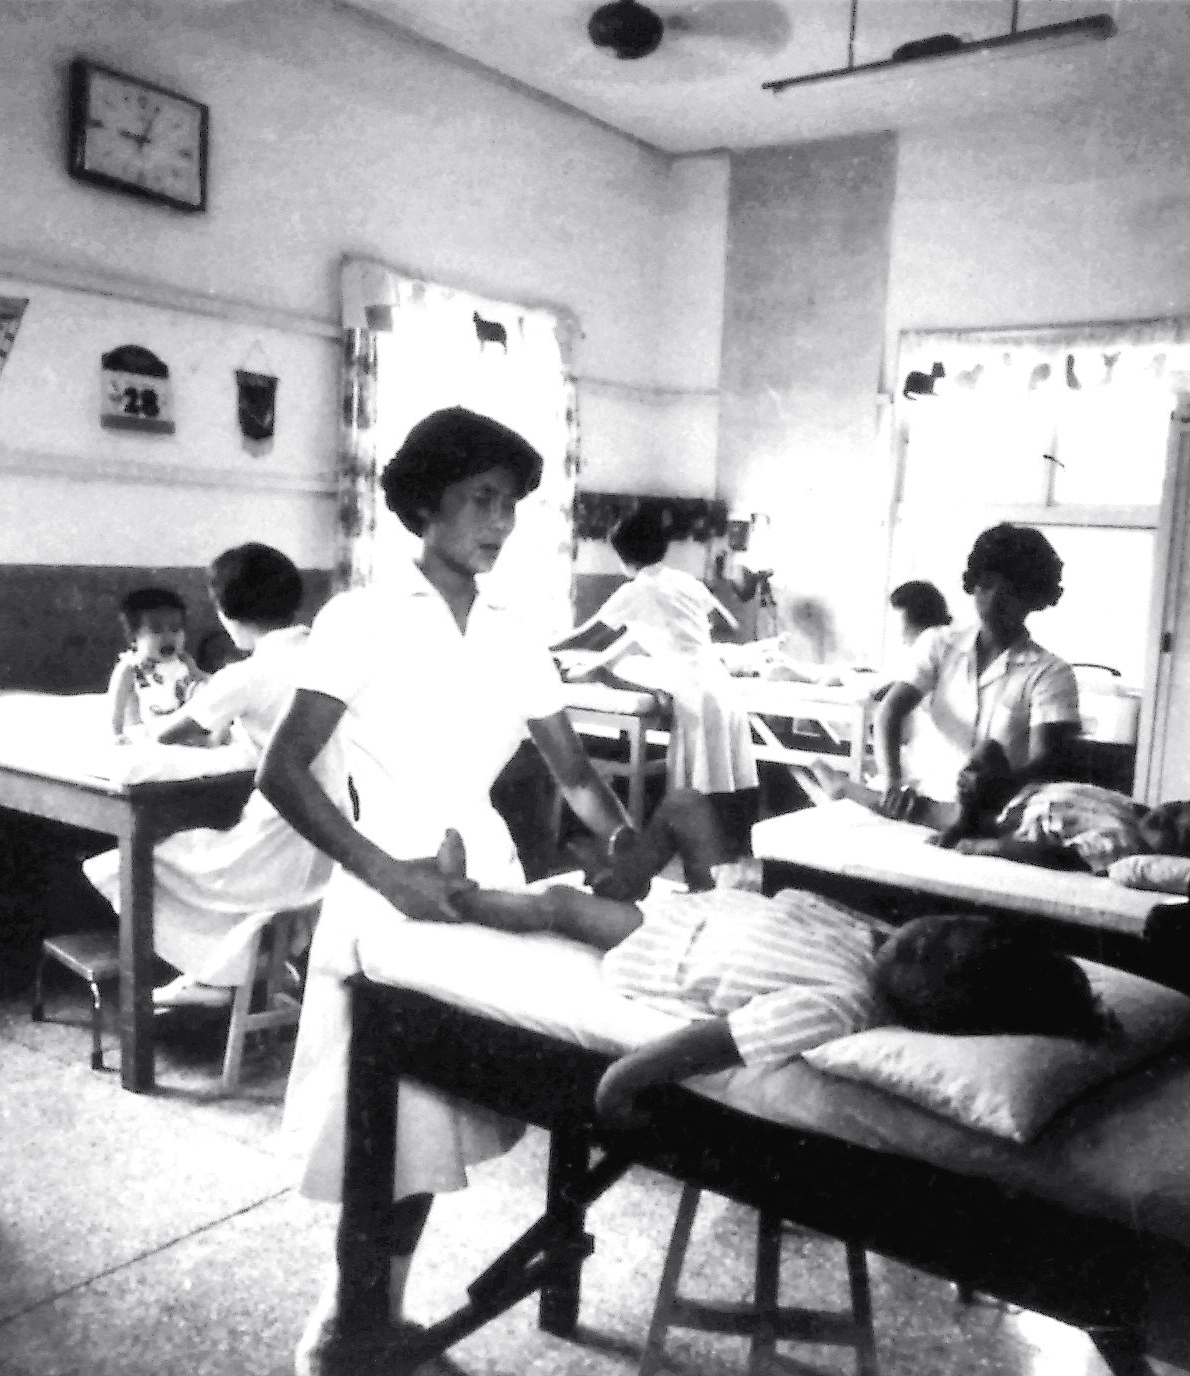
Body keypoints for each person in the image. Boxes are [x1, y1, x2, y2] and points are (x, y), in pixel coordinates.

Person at [256, 407, 639, 1375]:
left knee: (431, 1125)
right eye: (481, 499)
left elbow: (574, 774)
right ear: (426, 503)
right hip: (386, 882)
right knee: (382, 1133)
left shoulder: (511, 633)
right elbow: (283, 768)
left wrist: (624, 838)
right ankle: (345, 1329)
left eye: (511, 505)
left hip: (485, 884)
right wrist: (388, 875)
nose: (500, 523)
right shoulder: (363, 618)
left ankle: (373, 1316)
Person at [428, 790, 1109, 1127]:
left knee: (559, 907)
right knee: (686, 804)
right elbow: (802, 911)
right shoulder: (878, 941)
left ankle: (458, 895)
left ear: (933, 1012)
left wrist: (627, 1076)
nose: (914, 936)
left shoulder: (842, 1006)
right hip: (724, 903)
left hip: (667, 936)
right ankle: (627, 873)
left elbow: (718, 1039)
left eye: (927, 957)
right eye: (938, 927)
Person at [82, 543, 344, 1009]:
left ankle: (218, 975)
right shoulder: (331, 655)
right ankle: (236, 971)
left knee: (128, 864)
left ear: (224, 612)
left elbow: (166, 734)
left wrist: (136, 728)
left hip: (275, 849)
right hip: (332, 844)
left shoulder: (247, 674)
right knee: (203, 844)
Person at [552, 506, 759, 807]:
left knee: (694, 798)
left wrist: (544, 648)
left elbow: (587, 636)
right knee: (725, 792)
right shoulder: (686, 581)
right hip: (721, 687)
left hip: (690, 692)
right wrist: (687, 634)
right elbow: (730, 626)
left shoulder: (634, 591)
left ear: (622, 556)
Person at [874, 524, 1080, 811]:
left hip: (994, 813)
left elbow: (1043, 765)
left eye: (1009, 591)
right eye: (986, 584)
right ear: (973, 584)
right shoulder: (938, 643)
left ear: (1033, 599)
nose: (993, 600)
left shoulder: (1050, 673)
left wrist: (993, 791)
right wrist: (892, 781)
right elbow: (890, 712)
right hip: (918, 798)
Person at [806, 753, 1190, 873]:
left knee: (920, 811)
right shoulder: (1132, 812)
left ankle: (845, 789)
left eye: (1173, 831)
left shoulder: (1120, 845)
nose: (1164, 814)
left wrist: (989, 846)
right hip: (1017, 793)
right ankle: (848, 787)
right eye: (1180, 808)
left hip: (1005, 821)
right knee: (988, 755)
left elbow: (1058, 855)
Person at [107, 588, 206, 740]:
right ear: (134, 638)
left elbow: (202, 679)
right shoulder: (131, 668)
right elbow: (116, 707)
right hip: (144, 730)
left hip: (177, 725)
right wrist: (118, 733)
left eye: (175, 629)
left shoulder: (184, 661)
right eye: (156, 631)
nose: (168, 637)